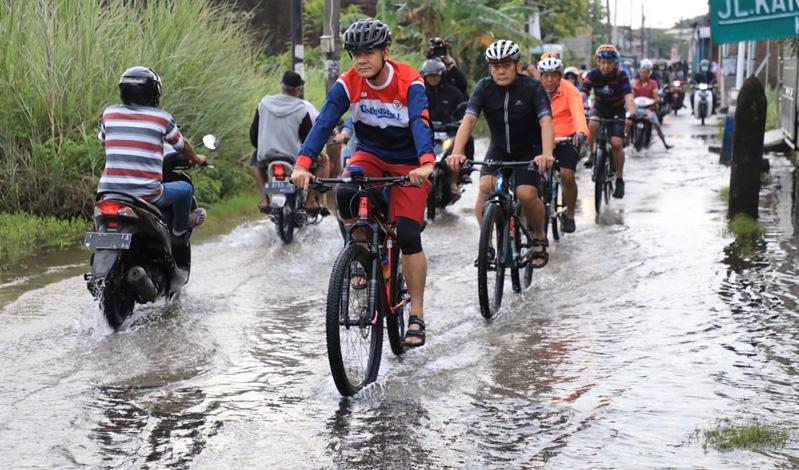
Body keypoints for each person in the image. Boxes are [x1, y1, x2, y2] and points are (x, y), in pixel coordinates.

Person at [291, 18, 435, 348]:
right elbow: (323, 123)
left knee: (408, 234)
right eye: (355, 53)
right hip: (369, 155)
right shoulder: (348, 83)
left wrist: (427, 163)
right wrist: (302, 164)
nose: (361, 60)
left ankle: (416, 312)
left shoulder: (409, 81)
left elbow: (419, 122)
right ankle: (361, 253)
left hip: (409, 162)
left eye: (369, 52)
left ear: (386, 52)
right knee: (345, 192)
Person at [447, 39, 555, 269]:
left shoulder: (532, 87)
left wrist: (546, 154)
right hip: (499, 148)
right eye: (496, 66)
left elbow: (546, 120)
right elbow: (469, 119)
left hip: (529, 150)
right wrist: (456, 152)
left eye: (506, 65)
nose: (501, 70)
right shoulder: (484, 87)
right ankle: (486, 244)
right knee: (485, 186)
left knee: (526, 194)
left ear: (517, 65)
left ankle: (539, 236)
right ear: (490, 68)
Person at [98, 66, 207, 236]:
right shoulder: (161, 118)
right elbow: (182, 145)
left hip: (108, 193)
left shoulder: (109, 113)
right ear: (153, 93)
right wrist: (197, 158)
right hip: (147, 194)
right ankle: (180, 226)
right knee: (185, 188)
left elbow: (103, 140)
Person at [250, 71, 328, 213]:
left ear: (281, 85)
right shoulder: (301, 109)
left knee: (257, 161)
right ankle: (310, 201)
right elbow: (308, 138)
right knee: (322, 161)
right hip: (294, 157)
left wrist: (260, 147)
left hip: (268, 155)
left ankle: (265, 200)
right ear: (298, 89)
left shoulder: (264, 104)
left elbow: (254, 134)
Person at [537, 53, 588, 233]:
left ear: (560, 76)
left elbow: (578, 113)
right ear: (540, 76)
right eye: (546, 76)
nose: (549, 80)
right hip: (542, 138)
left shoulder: (571, 90)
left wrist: (580, 132)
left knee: (567, 175)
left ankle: (570, 215)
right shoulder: (533, 89)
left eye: (554, 75)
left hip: (567, 137)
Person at [582, 44, 635, 199]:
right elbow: (583, 94)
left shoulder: (621, 75)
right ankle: (591, 153)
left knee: (616, 144)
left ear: (615, 63)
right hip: (599, 108)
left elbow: (628, 96)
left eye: (609, 63)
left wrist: (631, 114)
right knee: (592, 123)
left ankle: (619, 179)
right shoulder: (592, 74)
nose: (606, 66)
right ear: (598, 62)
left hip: (617, 111)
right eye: (603, 62)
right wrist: (576, 108)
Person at [421, 58, 471, 196]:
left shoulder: (454, 92)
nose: (433, 78)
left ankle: (456, 179)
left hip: (450, 132)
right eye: (430, 76)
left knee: (466, 140)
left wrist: (461, 121)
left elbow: (465, 111)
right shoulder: (419, 92)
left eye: (436, 75)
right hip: (425, 132)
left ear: (442, 75)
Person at [632, 59, 672, 150]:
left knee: (656, 125)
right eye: (641, 72)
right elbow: (631, 92)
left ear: (649, 72)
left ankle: (664, 143)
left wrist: (657, 99)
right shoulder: (635, 81)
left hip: (649, 108)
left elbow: (656, 93)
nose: (643, 74)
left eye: (645, 72)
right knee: (628, 122)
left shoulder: (653, 82)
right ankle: (626, 140)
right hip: (636, 108)